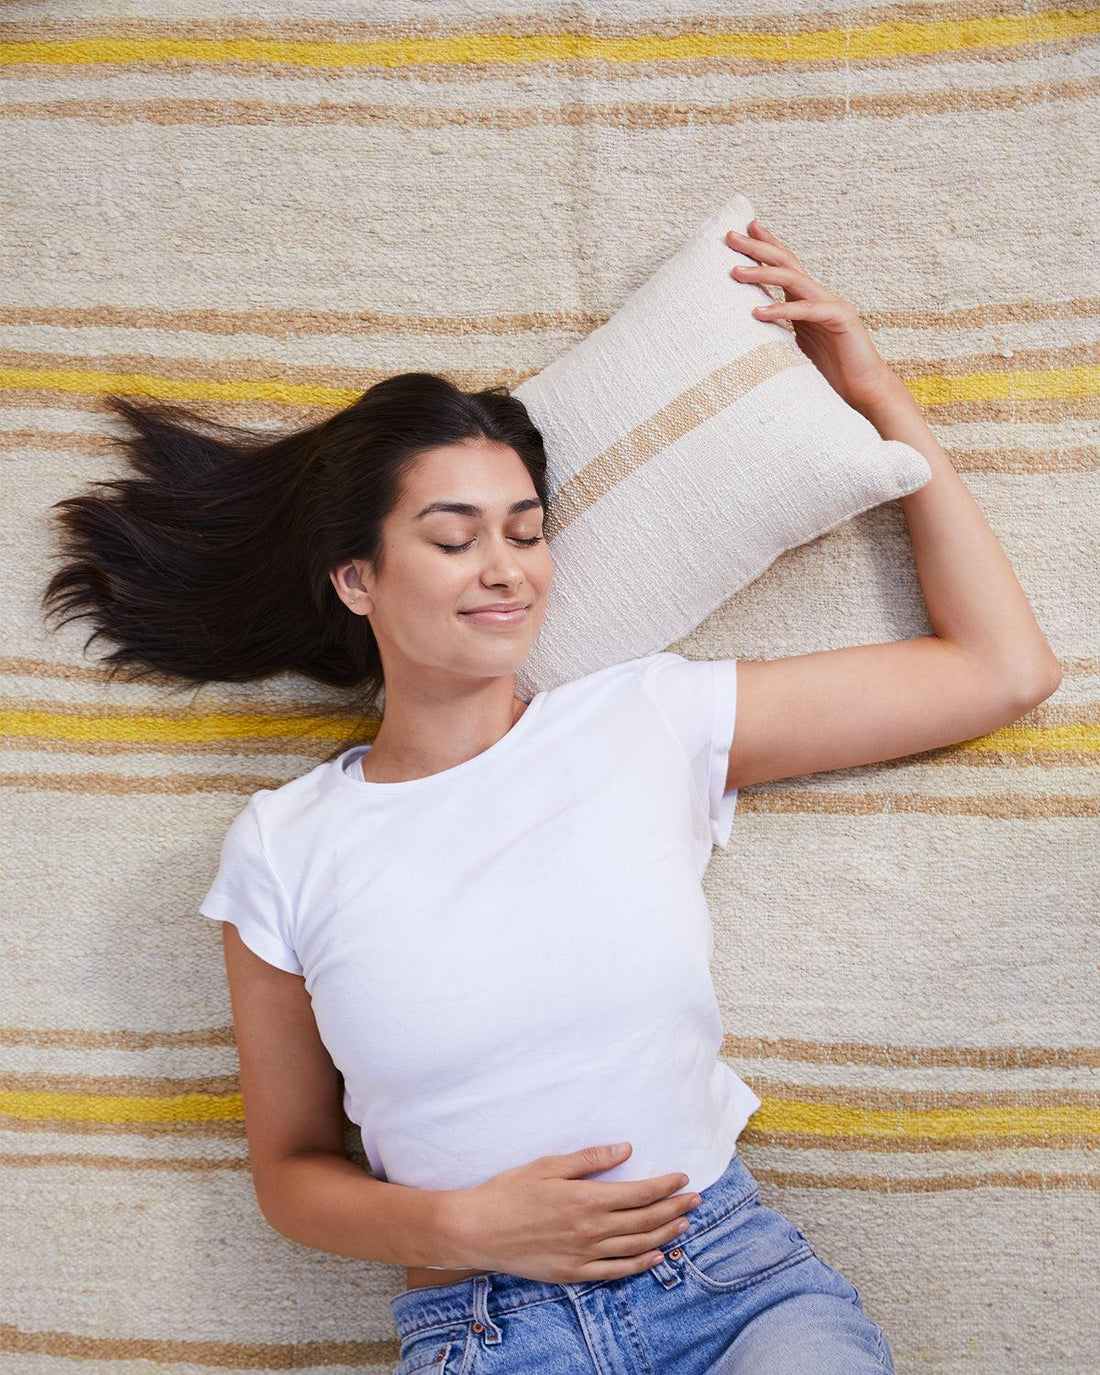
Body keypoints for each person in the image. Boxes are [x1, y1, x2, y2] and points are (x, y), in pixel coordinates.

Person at [42, 220, 1060, 1373]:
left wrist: (878, 398)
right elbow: (288, 1171)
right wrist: (458, 1224)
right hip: (490, 1330)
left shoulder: (646, 722)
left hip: (729, 1286)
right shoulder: (285, 846)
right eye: (452, 536)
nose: (505, 567)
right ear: (355, 577)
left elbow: (1000, 671)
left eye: (526, 532)